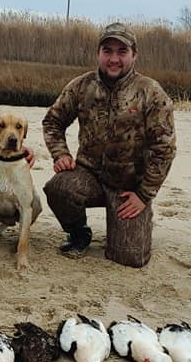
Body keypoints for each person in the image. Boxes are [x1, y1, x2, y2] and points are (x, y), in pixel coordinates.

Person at [42, 22, 176, 267]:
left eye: (122, 52)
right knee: (59, 188)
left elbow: (164, 148)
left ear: (134, 55)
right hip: (88, 174)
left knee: (130, 258)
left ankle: (136, 224)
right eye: (108, 51)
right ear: (98, 54)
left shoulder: (151, 92)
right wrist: (60, 154)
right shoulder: (82, 86)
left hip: (129, 188)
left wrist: (144, 195)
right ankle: (79, 232)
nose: (114, 59)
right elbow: (53, 121)